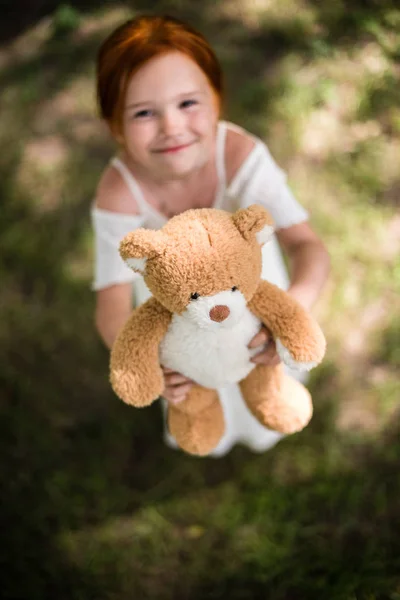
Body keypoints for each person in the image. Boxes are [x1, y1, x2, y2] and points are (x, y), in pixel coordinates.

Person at [91, 14, 330, 457]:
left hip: (252, 292)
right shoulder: (119, 191)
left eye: (188, 103)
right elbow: (111, 300)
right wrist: (154, 363)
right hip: (176, 309)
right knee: (197, 390)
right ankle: (206, 430)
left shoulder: (239, 155)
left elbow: (307, 246)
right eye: (144, 112)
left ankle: (268, 420)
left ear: (216, 99)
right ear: (114, 125)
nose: (172, 127)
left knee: (264, 376)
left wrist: (290, 316)